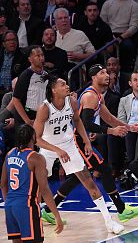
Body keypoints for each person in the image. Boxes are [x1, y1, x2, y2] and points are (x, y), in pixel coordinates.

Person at [39, 65, 138, 228]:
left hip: (74, 141)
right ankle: (121, 209)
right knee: (103, 169)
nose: (107, 75)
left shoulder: (96, 96)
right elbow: (87, 123)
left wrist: (129, 127)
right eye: (102, 73)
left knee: (80, 176)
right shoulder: (89, 96)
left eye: (106, 73)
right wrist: (111, 131)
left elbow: (108, 118)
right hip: (73, 141)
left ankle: (48, 208)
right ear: (94, 78)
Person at [33, 76, 125, 234]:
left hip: (68, 144)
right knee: (38, 185)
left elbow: (77, 121)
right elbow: (36, 138)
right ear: (53, 90)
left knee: (89, 181)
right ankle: (35, 215)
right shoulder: (45, 108)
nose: (67, 86)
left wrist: (86, 141)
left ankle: (109, 223)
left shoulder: (72, 102)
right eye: (62, 85)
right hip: (48, 147)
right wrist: (56, 150)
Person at [1, 125, 64, 243]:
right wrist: (57, 215)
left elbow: (3, 184)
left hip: (10, 206)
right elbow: (45, 190)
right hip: (27, 207)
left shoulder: (9, 153)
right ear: (33, 138)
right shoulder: (36, 158)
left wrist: (8, 203)